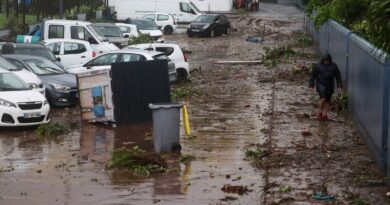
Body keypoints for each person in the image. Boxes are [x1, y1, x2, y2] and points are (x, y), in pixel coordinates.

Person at [309, 53, 342, 121]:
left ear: (330, 60)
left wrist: (339, 85)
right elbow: (313, 76)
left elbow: (338, 76)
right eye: (325, 61)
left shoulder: (334, 66)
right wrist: (311, 85)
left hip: (330, 85)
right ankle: (320, 112)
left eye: (327, 61)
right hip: (320, 84)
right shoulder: (318, 66)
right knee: (323, 98)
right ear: (323, 60)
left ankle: (325, 115)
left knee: (327, 101)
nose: (326, 62)